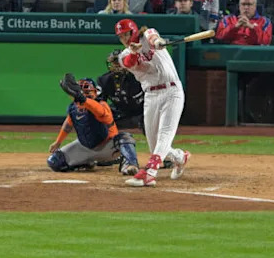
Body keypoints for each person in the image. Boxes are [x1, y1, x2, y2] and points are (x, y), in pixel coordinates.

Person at [113, 18, 191, 187]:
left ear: (133, 31)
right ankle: (180, 157)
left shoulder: (147, 35)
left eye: (126, 33)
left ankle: (149, 173)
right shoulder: (124, 55)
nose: (125, 38)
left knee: (165, 134)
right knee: (154, 144)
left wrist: (158, 42)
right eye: (121, 36)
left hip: (171, 91)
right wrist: (133, 51)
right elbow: (129, 63)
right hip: (151, 96)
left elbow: (153, 37)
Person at [47, 76, 140, 175]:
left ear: (96, 93)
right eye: (81, 93)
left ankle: (130, 164)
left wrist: (83, 99)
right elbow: (67, 126)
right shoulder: (73, 108)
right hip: (85, 147)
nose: (84, 95)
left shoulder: (102, 105)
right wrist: (58, 142)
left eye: (87, 92)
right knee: (55, 161)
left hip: (108, 148)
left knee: (125, 137)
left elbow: (99, 111)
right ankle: (87, 162)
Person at [97, 49, 145, 131]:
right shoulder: (104, 80)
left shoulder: (138, 77)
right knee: (98, 116)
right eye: (114, 62)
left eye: (119, 62)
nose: (117, 65)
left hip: (142, 112)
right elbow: (99, 102)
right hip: (121, 113)